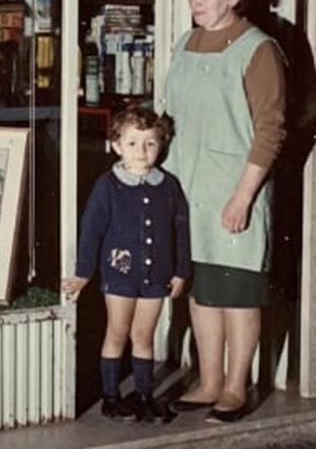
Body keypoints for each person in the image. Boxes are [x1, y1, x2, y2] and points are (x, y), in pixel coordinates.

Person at [163, 0, 286, 423]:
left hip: (234, 191)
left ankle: (237, 386)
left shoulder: (258, 50)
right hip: (186, 186)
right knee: (202, 290)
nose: (196, 3)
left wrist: (243, 197)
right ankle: (209, 380)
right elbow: (173, 115)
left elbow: (270, 131)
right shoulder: (183, 44)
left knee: (237, 292)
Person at [63, 105, 191, 422]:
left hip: (157, 276)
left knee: (144, 336)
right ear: (117, 145)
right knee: (117, 332)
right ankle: (111, 398)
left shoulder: (169, 186)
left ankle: (145, 395)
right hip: (119, 275)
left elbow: (181, 230)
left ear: (161, 145)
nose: (141, 151)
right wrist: (83, 274)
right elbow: (91, 230)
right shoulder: (108, 185)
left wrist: (181, 271)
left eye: (150, 143)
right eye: (132, 143)